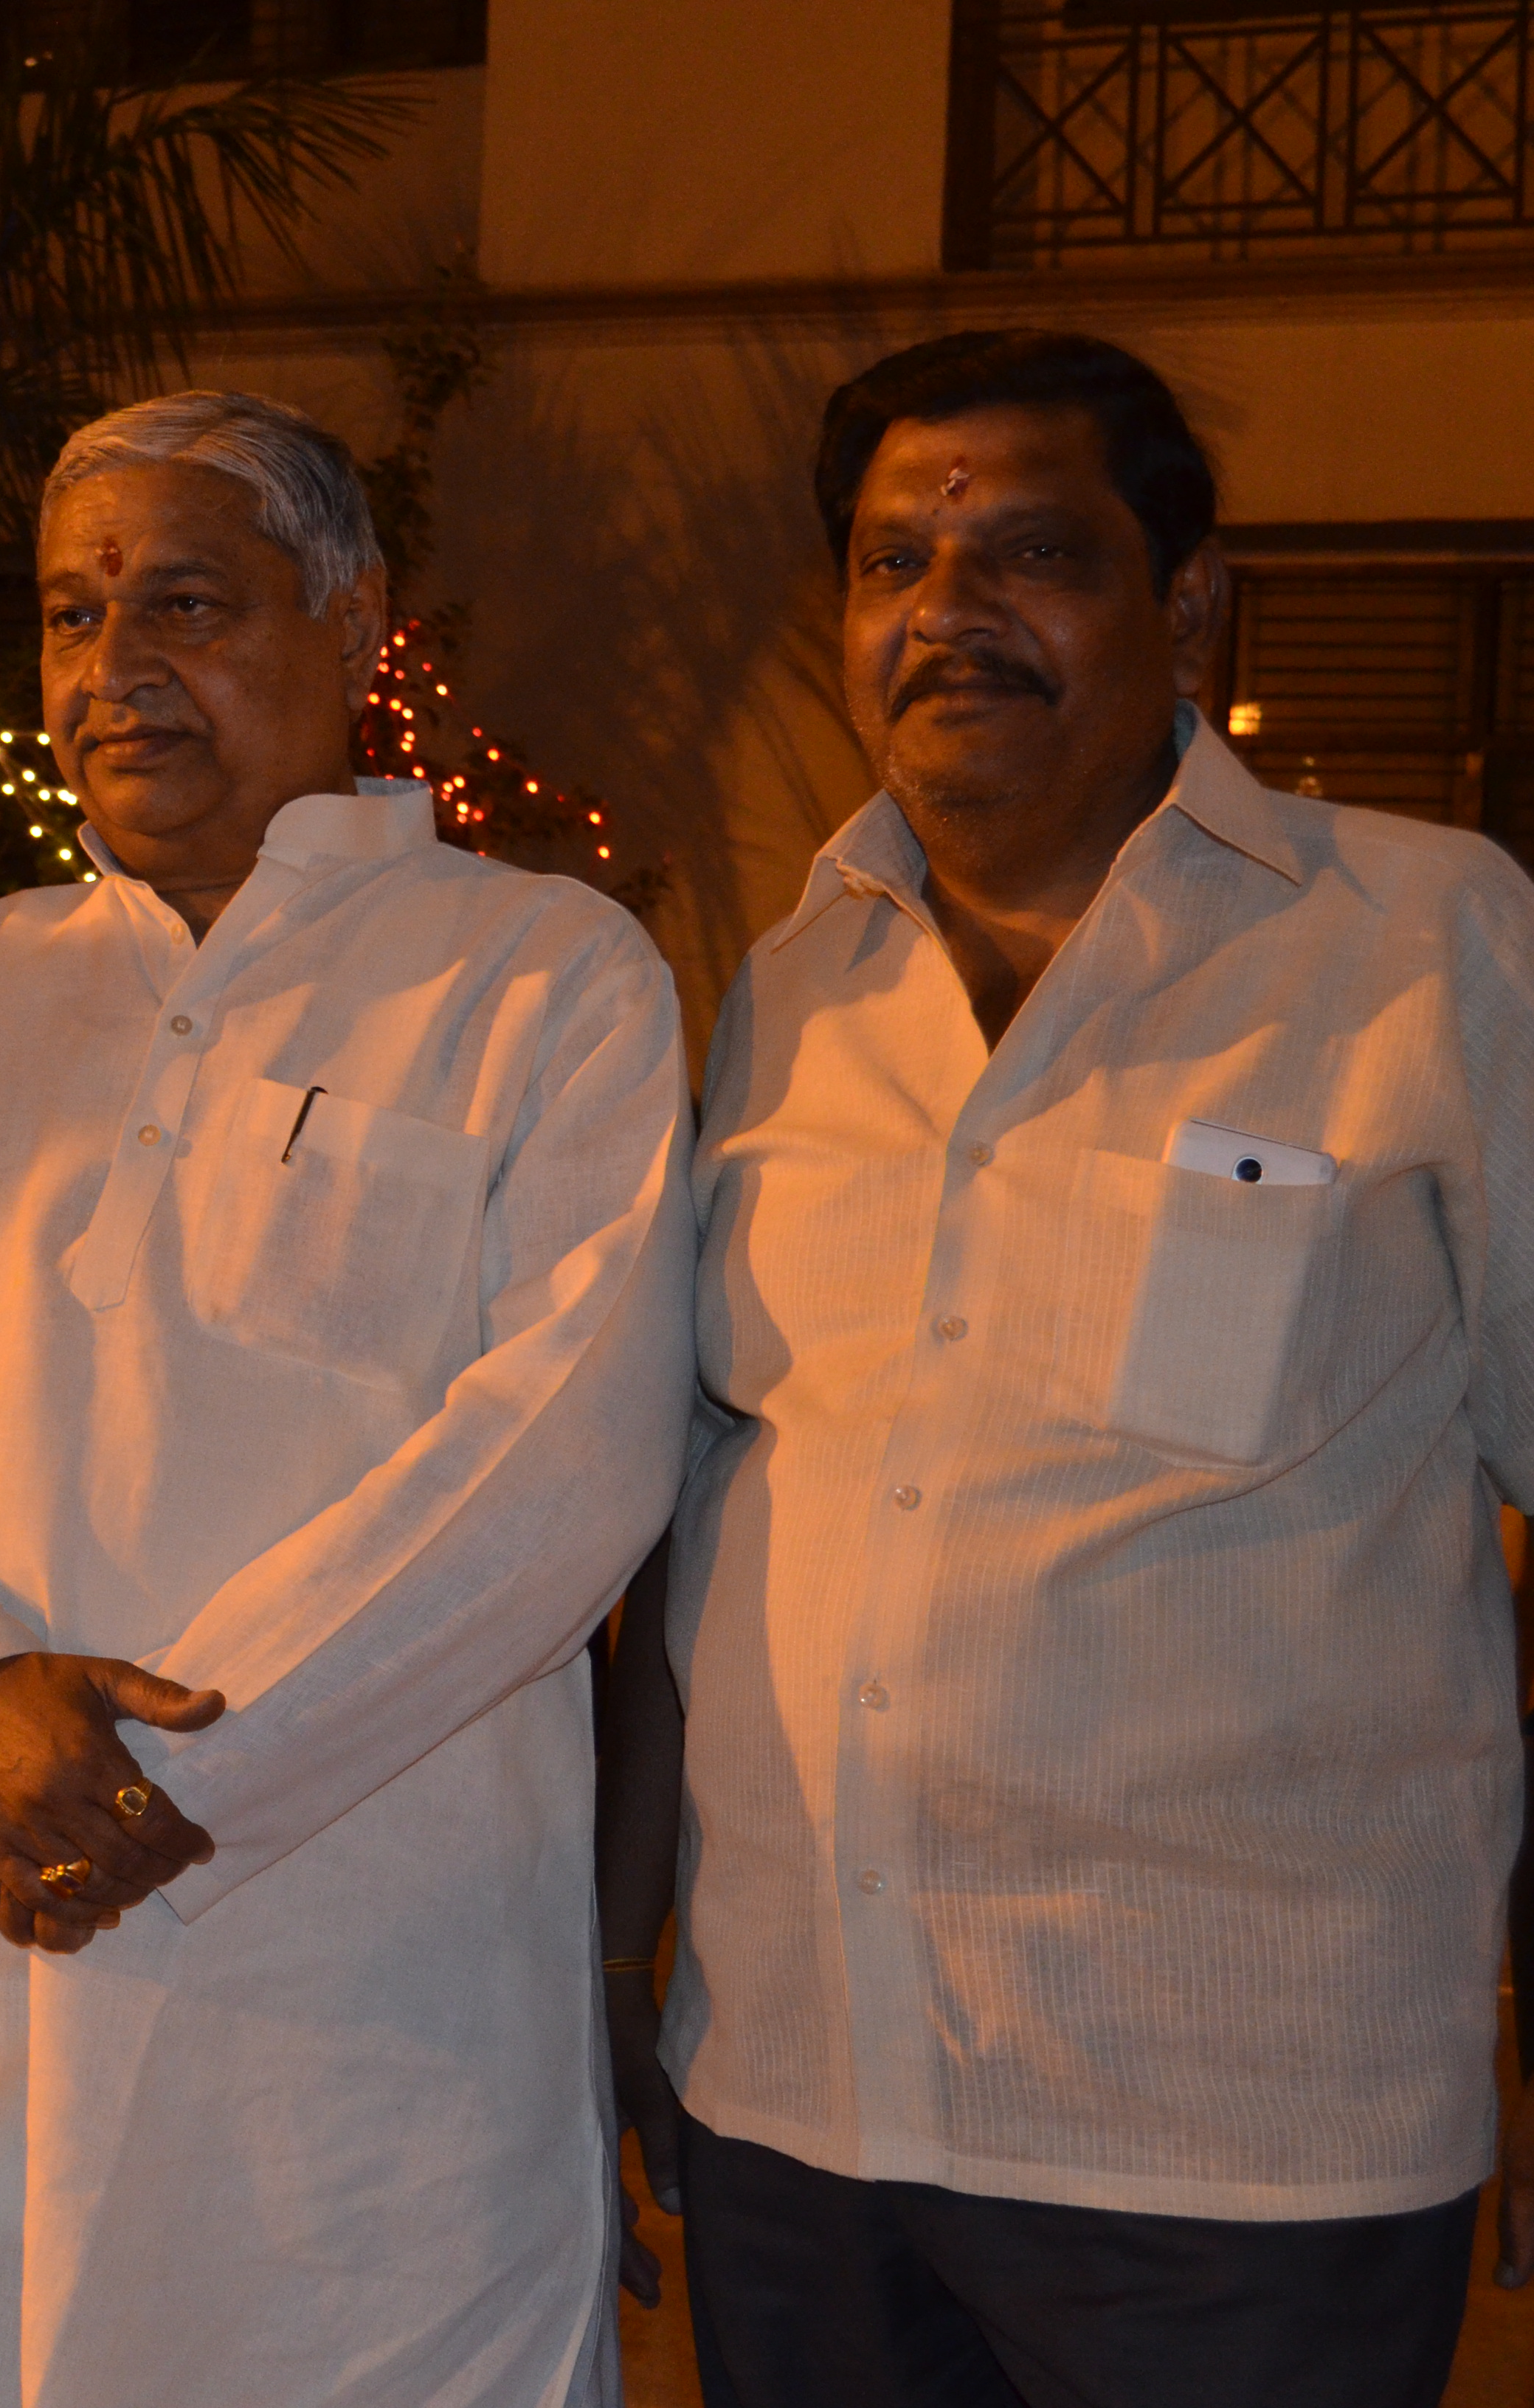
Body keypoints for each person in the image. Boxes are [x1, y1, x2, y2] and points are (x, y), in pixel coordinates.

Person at [0, 389, 699, 2408]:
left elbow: (560, 1459)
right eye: (69, 615)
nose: (113, 668)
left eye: (186, 604)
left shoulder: (544, 980)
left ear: (353, 621)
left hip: (343, 1970)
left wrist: (138, 1789)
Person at [632, 327, 1534, 2407]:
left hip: (1239, 2142)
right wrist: (623, 1961)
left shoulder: (1422, 945)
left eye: (1032, 554)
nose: (946, 613)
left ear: (1187, 604)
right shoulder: (789, 991)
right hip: (801, 2105)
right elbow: (708, 1503)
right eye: (891, 564)